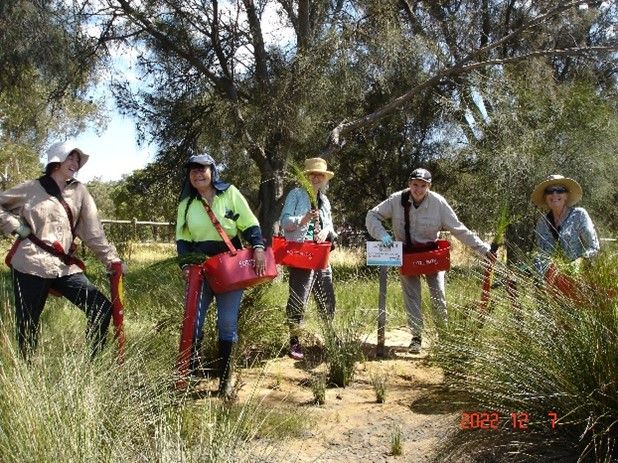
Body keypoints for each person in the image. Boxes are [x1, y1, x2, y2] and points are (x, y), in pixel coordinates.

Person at [0, 140, 125, 359]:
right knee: (28, 323)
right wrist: (16, 226)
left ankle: (92, 365)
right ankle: (26, 374)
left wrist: (111, 259)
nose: (75, 162)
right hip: (31, 263)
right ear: (56, 160)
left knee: (101, 308)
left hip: (63, 266)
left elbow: (93, 231)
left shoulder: (80, 191)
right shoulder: (31, 188)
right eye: (71, 157)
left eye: (77, 159)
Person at [365, 168, 492, 353]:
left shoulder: (438, 203)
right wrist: (382, 235)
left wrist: (483, 249)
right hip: (407, 254)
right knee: (412, 296)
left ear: (429, 186)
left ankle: (444, 337)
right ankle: (416, 338)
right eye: (415, 185)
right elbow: (372, 215)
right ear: (409, 184)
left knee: (438, 294)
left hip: (431, 255)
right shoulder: (396, 200)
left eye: (423, 186)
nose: (418, 189)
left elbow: (458, 229)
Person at [176, 153, 267, 396]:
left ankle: (225, 380)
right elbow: (182, 240)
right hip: (200, 270)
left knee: (227, 324)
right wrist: (185, 266)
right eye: (193, 170)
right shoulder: (186, 204)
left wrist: (258, 246)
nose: (197, 173)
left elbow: (249, 224)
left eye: (202, 169)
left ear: (212, 171)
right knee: (193, 323)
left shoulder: (230, 194)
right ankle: (190, 376)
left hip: (229, 269)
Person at [279, 157, 337, 360]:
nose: (316, 177)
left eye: (320, 174)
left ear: (324, 178)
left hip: (321, 255)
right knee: (299, 297)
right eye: (312, 174)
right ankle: (295, 340)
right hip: (301, 253)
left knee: (327, 296)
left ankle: (330, 336)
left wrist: (326, 232)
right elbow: (284, 222)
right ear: (306, 176)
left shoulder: (325, 200)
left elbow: (331, 226)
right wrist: (302, 220)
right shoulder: (296, 194)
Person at [531, 174, 599, 275]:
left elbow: (593, 248)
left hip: (578, 277)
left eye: (560, 190)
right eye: (550, 191)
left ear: (566, 196)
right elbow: (541, 253)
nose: (554, 194)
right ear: (545, 197)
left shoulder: (579, 215)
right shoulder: (542, 222)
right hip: (549, 280)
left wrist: (579, 262)